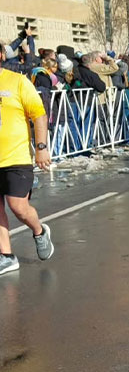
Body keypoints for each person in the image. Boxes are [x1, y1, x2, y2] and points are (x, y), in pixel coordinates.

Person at [0, 41, 55, 275]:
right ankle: (6, 256)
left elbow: (38, 114)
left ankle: (39, 231)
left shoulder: (17, 81)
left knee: (18, 206)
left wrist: (41, 147)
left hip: (17, 157)